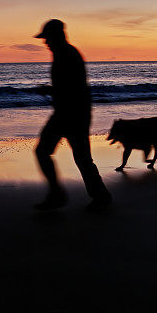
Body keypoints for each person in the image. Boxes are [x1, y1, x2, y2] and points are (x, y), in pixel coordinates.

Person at [33, 19, 112, 211]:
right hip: (75, 113)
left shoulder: (66, 55)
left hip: (70, 114)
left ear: (57, 35)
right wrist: (52, 90)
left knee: (44, 152)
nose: (45, 42)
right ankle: (99, 195)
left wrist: (50, 91)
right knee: (82, 157)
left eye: (47, 38)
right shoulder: (67, 53)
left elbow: (71, 88)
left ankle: (58, 195)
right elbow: (72, 86)